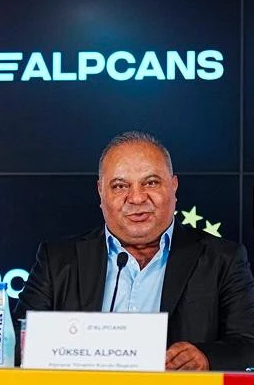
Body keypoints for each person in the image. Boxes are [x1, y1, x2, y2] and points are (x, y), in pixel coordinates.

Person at [15, 131, 254, 371]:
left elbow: (248, 343)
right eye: (120, 186)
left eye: (151, 183)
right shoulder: (58, 260)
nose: (137, 198)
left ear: (173, 186)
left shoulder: (223, 259)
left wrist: (206, 357)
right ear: (101, 192)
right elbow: (17, 341)